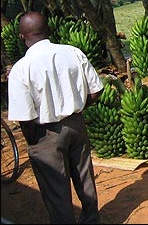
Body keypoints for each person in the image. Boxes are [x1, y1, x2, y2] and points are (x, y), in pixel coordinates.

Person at [7, 11, 103, 224]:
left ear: (22, 37)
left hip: (45, 134)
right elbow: (96, 90)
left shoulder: (22, 69)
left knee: (56, 190)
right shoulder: (73, 52)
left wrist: (34, 141)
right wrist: (77, 110)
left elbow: (25, 117)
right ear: (47, 30)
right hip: (77, 126)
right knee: (85, 178)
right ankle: (91, 220)